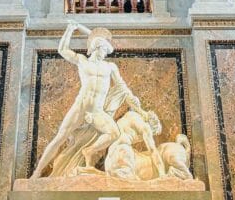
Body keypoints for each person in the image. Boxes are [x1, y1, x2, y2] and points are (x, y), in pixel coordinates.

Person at [31, 23, 152, 178]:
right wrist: (69, 30)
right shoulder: (82, 61)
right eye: (104, 50)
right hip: (81, 107)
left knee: (114, 133)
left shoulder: (110, 67)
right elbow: (62, 50)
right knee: (60, 137)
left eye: (106, 51)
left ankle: (89, 151)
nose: (105, 54)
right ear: (96, 47)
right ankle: (36, 173)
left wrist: (140, 110)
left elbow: (123, 87)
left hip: (97, 111)